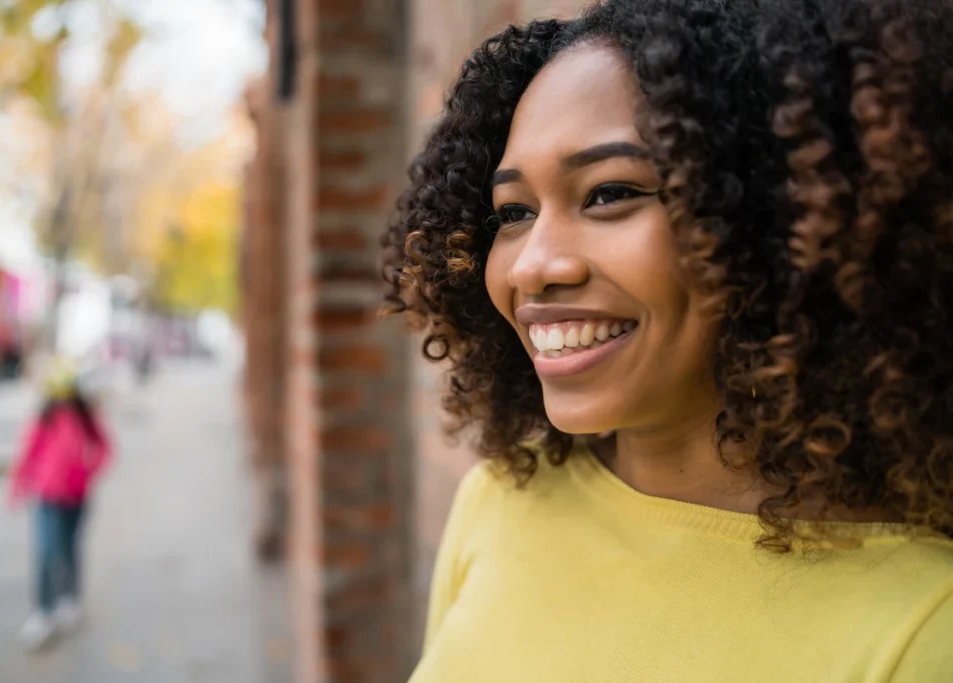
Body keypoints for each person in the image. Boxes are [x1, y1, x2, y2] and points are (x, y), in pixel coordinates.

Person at [382, 0, 953, 680]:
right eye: (513, 211)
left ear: (776, 218)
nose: (534, 263)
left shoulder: (920, 632)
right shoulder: (499, 499)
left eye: (608, 192)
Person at [8, 358, 112, 650]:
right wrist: (19, 485)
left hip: (77, 498)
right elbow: (27, 454)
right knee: (45, 552)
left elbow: (105, 447)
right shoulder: (44, 419)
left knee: (69, 548)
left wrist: (88, 472)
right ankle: (43, 611)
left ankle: (70, 599)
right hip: (47, 498)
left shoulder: (85, 417)